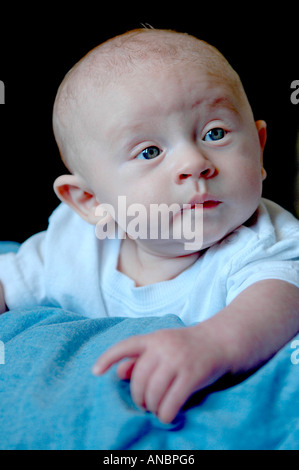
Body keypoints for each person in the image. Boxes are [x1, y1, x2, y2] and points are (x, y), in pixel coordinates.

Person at [0, 28, 299, 424]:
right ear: (91, 202)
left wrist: (212, 343)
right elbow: (11, 280)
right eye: (150, 151)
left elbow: (283, 298)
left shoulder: (266, 240)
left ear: (259, 148)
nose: (194, 162)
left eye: (216, 133)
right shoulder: (73, 243)